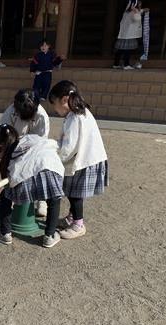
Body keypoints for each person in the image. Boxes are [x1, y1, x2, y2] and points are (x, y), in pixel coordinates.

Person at [48, 80, 108, 240]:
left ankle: (78, 225)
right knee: (73, 192)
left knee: (74, 195)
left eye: (54, 104)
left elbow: (69, 147)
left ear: (64, 100)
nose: (54, 109)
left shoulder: (75, 118)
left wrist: (55, 160)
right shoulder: (80, 112)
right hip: (87, 159)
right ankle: (71, 218)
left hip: (85, 162)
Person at [0, 125, 65, 248]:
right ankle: (49, 236)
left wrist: (2, 155)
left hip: (26, 179)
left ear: (0, 145)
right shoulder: (30, 138)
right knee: (54, 200)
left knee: (5, 195)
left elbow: (10, 178)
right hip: (51, 170)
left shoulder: (10, 155)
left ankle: (4, 233)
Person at [0, 89, 51, 218]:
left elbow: (40, 141)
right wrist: (2, 149)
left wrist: (27, 154)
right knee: (11, 170)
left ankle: (41, 201)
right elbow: (3, 130)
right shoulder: (11, 110)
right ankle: (10, 196)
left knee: (38, 171)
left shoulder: (41, 116)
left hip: (35, 148)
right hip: (14, 145)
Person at [113, 1, 148, 70]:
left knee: (120, 49)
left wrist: (141, 10)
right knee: (127, 50)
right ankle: (126, 64)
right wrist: (140, 10)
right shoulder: (133, 12)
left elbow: (137, 12)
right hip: (129, 34)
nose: (139, 5)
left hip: (124, 34)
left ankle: (116, 64)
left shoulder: (126, 12)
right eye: (138, 4)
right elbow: (137, 18)